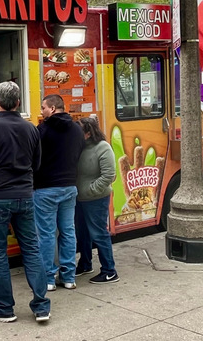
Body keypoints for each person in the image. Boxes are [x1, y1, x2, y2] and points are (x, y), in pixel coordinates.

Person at [0, 81, 51, 323]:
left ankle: (4, 308)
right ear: (18, 103)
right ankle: (41, 306)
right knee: (32, 249)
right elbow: (37, 165)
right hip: (25, 196)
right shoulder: (31, 129)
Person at [33, 94, 85, 291]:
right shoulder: (77, 130)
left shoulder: (42, 130)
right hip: (70, 187)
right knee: (68, 231)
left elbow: (33, 158)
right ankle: (69, 277)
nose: (41, 111)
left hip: (45, 188)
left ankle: (48, 278)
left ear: (53, 108)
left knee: (46, 235)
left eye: (44, 107)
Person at [75, 116, 119, 284]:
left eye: (79, 131)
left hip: (96, 199)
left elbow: (108, 175)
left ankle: (109, 270)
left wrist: (91, 190)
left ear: (87, 133)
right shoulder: (79, 148)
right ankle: (85, 264)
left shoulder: (103, 148)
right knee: (82, 233)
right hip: (80, 198)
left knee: (99, 233)